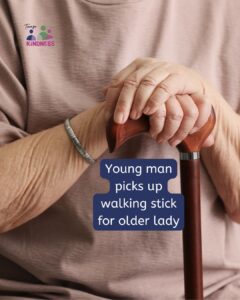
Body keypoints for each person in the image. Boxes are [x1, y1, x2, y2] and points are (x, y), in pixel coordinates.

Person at [0, 0, 239, 299]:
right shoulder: (13, 12)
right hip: (46, 292)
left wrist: (208, 103)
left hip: (214, 291)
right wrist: (105, 119)